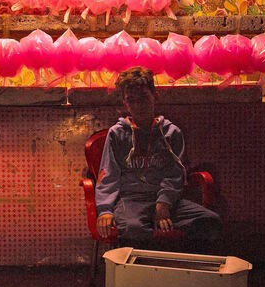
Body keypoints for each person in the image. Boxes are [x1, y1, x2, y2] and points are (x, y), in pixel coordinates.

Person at [95, 66, 222, 251]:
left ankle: (183, 269)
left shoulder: (171, 133)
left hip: (166, 200)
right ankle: (141, 277)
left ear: (155, 95)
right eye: (132, 100)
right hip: (131, 200)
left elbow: (175, 173)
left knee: (210, 221)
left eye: (144, 98)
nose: (138, 106)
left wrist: (164, 203)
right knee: (133, 229)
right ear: (125, 103)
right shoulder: (117, 134)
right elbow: (108, 174)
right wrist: (105, 209)